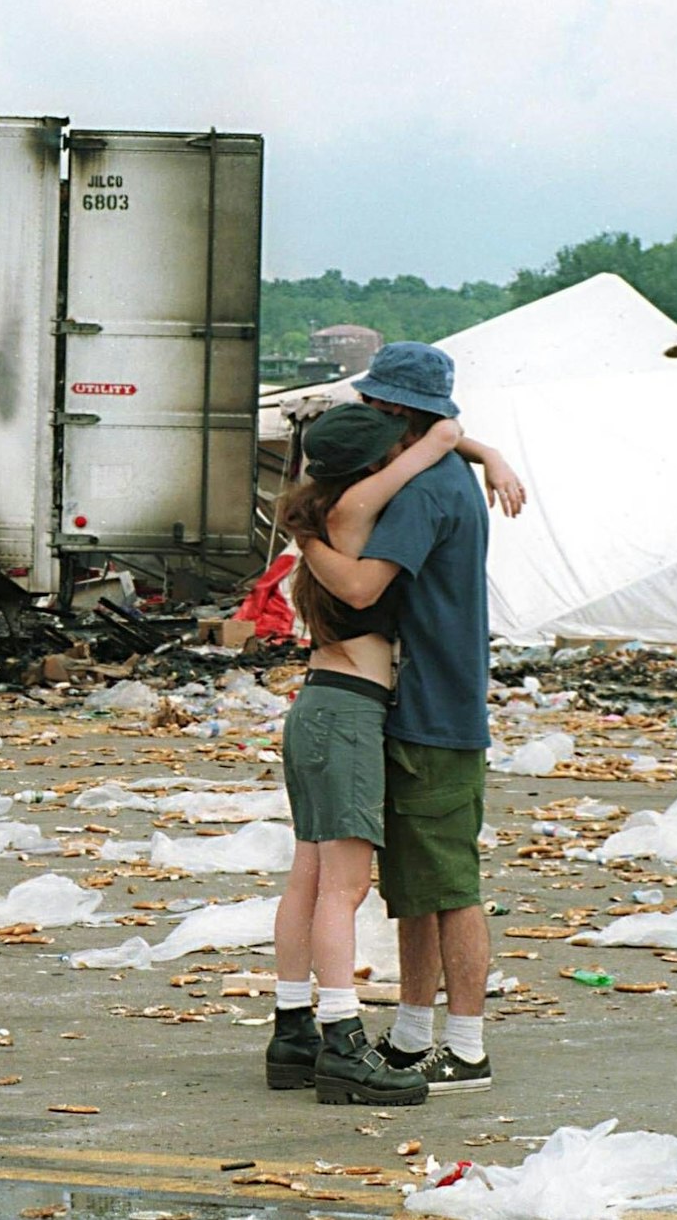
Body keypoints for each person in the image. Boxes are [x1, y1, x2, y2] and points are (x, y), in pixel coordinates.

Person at [295, 342, 524, 1096]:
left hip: (433, 708)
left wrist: (303, 541)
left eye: (378, 406)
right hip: (426, 704)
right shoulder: (443, 468)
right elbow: (449, 438)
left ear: (401, 414)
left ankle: (465, 1046)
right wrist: (482, 448)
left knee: (449, 885)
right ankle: (414, 1033)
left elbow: (362, 589)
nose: (368, 417)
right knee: (417, 886)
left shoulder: (424, 492)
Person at [266, 402, 458, 1105]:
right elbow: (418, 455)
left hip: (318, 703)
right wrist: (444, 437)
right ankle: (342, 1038)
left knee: (309, 879)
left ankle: (293, 1029)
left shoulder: (322, 517)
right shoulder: (349, 514)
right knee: (343, 889)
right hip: (348, 711)